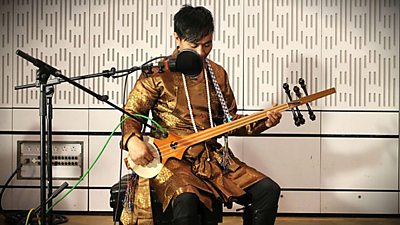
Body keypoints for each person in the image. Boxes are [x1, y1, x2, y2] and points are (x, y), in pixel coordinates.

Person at [121, 5, 282, 225]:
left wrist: (262, 121)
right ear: (176, 38)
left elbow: (229, 121)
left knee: (268, 191)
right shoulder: (157, 73)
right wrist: (132, 141)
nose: (200, 52)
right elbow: (131, 114)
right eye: (193, 45)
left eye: (207, 45)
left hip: (212, 159)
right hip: (172, 161)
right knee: (186, 199)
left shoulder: (216, 73)